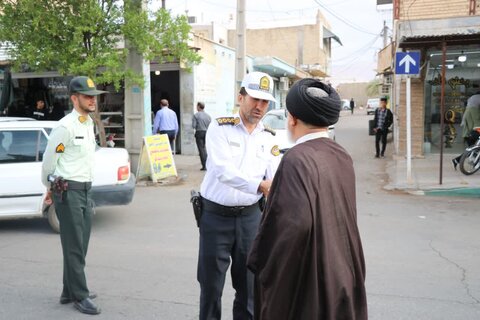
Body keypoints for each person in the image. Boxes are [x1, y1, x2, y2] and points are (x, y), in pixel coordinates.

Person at [247, 78, 367, 320]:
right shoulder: (340, 155)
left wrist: (265, 264)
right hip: (343, 269)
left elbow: (292, 227)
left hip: (313, 279)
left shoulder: (297, 160)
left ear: (291, 119)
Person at [197, 71, 281, 320]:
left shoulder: (268, 136)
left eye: (265, 101)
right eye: (254, 98)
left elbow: (276, 175)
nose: (259, 106)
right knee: (211, 286)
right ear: (240, 97)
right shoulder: (219, 127)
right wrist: (260, 185)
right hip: (215, 217)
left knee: (249, 288)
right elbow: (223, 171)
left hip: (251, 219)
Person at [41, 76, 107, 315]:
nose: (92, 100)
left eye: (94, 96)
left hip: (85, 190)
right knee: (74, 247)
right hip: (68, 192)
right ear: (74, 98)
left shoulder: (87, 123)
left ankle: (68, 290)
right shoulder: (65, 127)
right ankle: (80, 295)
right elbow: (50, 161)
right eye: (88, 96)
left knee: (80, 244)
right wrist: (49, 188)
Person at [452, 93, 480, 170]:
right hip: (471, 134)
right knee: (473, 151)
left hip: (468, 135)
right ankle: (475, 165)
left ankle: (456, 161)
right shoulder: (474, 111)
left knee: (472, 151)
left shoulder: (468, 111)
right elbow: (476, 126)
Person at [192, 101, 212, 170]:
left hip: (199, 132)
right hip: (207, 132)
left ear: (198, 107)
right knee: (205, 148)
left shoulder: (196, 115)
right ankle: (208, 164)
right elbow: (210, 125)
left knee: (201, 149)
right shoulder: (208, 116)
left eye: (197, 106)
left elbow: (193, 126)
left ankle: (204, 165)